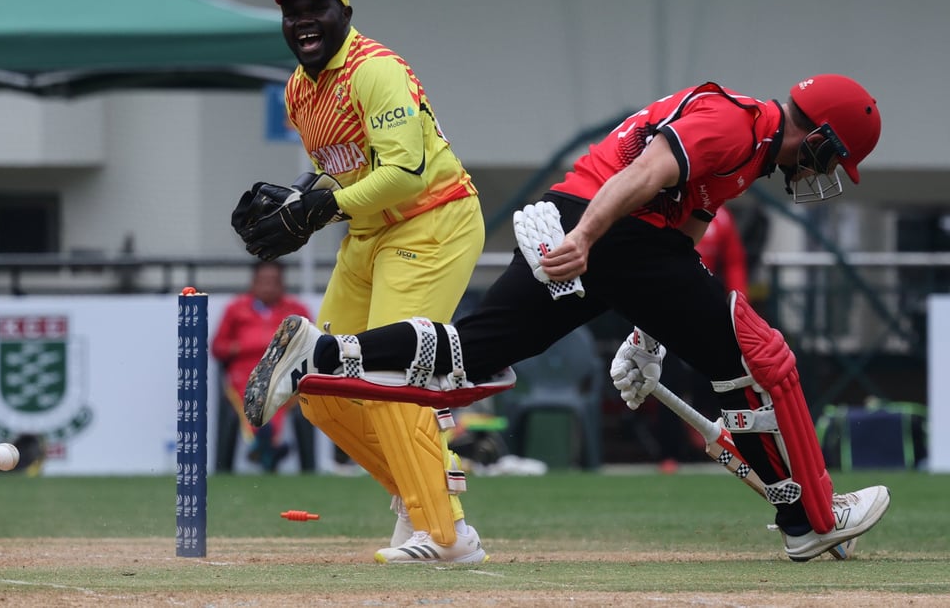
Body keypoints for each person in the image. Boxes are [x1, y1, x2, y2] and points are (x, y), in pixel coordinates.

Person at [246, 74, 892, 562]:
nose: (825, 171)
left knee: (475, 354)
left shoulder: (749, 151)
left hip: (597, 228)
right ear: (821, 135)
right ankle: (809, 519)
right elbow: (646, 173)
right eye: (832, 158)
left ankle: (321, 356)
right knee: (753, 356)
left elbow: (684, 232)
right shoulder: (736, 124)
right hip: (607, 229)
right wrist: (585, 239)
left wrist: (647, 335)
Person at [231, 0, 488, 563]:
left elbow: (405, 173)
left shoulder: (374, 70)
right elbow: (344, 166)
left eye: (315, 7)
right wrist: (303, 200)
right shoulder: (299, 89)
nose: (302, 21)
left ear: (344, 14)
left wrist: (324, 207)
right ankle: (418, 494)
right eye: (292, 12)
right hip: (371, 230)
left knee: (388, 376)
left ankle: (447, 536)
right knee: (320, 385)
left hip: (433, 221)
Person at [657, 204, 749, 472]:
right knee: (666, 379)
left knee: (713, 377)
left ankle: (716, 443)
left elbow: (734, 262)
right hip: (664, 306)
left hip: (703, 306)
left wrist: (740, 305)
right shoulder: (667, 207)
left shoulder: (722, 217)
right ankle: (669, 452)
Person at [211, 261, 313, 472]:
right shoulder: (235, 309)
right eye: (263, 281)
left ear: (282, 284)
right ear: (253, 283)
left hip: (284, 373)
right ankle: (267, 446)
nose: (268, 287)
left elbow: (312, 345)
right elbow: (218, 347)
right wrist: (242, 347)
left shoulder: (296, 310)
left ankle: (266, 445)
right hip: (244, 374)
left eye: (274, 282)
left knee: (278, 391)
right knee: (255, 394)